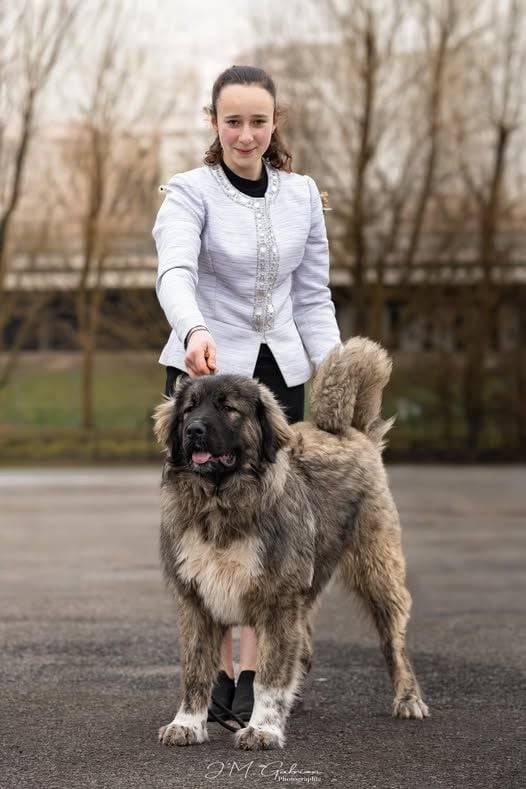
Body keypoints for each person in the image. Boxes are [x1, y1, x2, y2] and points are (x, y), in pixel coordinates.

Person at [152, 64, 341, 724]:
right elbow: (174, 270)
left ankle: (254, 670)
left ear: (275, 123)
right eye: (232, 121)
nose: (245, 133)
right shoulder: (188, 191)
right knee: (213, 534)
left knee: (269, 535)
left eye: (258, 121)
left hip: (277, 384)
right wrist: (193, 327)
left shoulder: (302, 194)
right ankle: (225, 671)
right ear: (214, 122)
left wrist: (335, 372)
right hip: (207, 381)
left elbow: (313, 296)